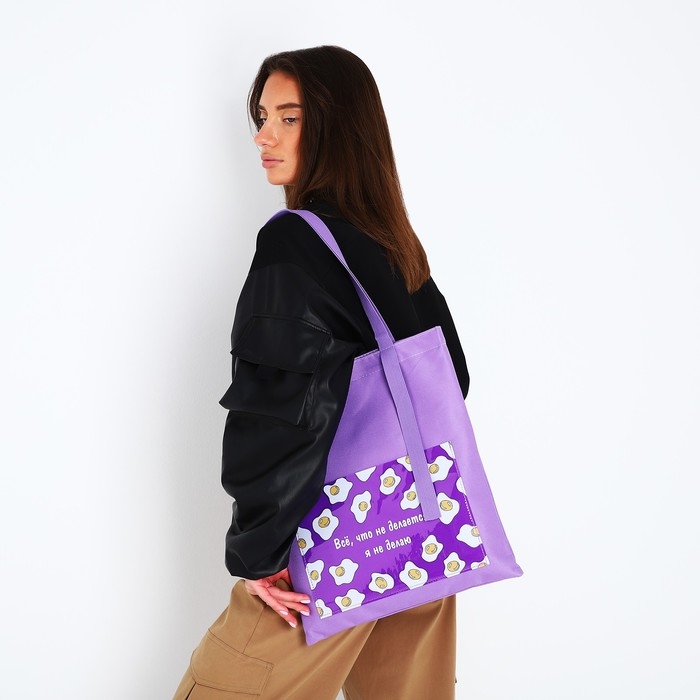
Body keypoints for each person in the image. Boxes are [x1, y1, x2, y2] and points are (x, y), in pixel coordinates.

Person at [173, 45, 470, 700]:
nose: (263, 136)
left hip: (323, 557)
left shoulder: (294, 240)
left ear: (339, 126)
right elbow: (451, 380)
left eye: (289, 117)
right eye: (262, 117)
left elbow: (279, 408)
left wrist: (258, 555)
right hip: (420, 541)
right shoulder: (393, 242)